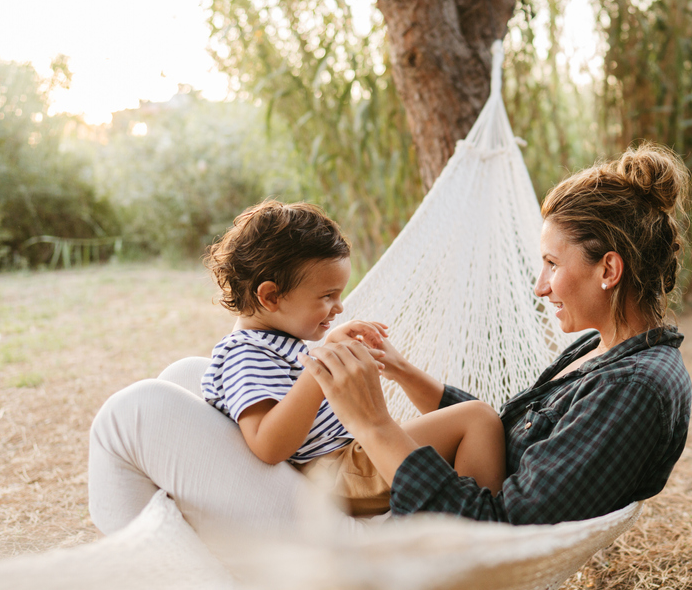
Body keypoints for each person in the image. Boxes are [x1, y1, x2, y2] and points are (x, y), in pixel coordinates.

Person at [87, 143, 692, 537]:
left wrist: (374, 425)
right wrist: (402, 372)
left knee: (135, 411)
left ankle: (159, 578)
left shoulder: (634, 390)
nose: (540, 286)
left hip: (375, 534)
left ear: (608, 270)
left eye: (551, 264)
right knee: (185, 378)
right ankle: (172, 565)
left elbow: (501, 525)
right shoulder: (604, 357)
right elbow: (505, 436)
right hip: (335, 481)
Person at [199, 200, 506, 516]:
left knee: (470, 423)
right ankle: (480, 534)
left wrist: (330, 346)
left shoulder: (276, 343)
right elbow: (267, 444)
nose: (339, 307)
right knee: (477, 418)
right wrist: (320, 371)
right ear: (271, 297)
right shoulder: (245, 354)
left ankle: (464, 525)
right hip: (335, 471)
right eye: (327, 296)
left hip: (350, 460)